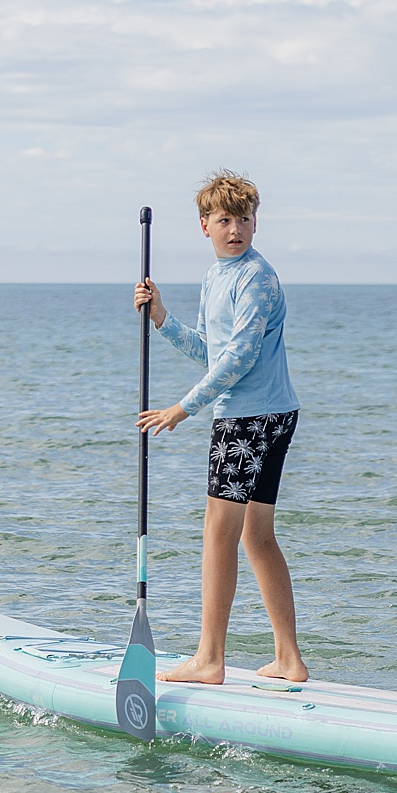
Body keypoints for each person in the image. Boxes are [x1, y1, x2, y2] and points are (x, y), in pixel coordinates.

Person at [133, 170, 307, 684]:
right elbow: (211, 352)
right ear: (204, 225)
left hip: (251, 418)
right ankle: (288, 659)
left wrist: (181, 410)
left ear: (257, 222)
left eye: (245, 218)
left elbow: (240, 356)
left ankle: (210, 659)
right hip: (269, 412)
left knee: (218, 534)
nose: (236, 228)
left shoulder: (256, 277)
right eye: (225, 219)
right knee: (257, 537)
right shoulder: (217, 278)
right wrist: (162, 317)